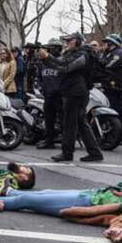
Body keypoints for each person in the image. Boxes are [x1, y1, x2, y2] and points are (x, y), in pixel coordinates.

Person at [38, 32, 103, 162]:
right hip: (72, 91)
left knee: (69, 123)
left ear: (78, 42)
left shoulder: (82, 55)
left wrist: (47, 57)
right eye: (65, 41)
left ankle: (67, 153)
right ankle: (94, 152)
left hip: (76, 92)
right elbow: (59, 64)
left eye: (69, 41)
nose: (66, 43)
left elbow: (65, 67)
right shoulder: (71, 54)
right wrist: (46, 58)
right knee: (80, 122)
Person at [36, 39, 63, 149]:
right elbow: (39, 77)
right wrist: (41, 87)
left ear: (57, 48)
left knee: (63, 119)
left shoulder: (62, 60)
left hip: (60, 95)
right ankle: (49, 141)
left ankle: (65, 140)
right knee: (48, 119)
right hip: (48, 94)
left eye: (50, 47)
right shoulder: (43, 62)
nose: (48, 50)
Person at [94, 34, 122, 123]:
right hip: (108, 86)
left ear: (112, 44)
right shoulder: (107, 53)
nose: (104, 45)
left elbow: (106, 65)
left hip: (117, 88)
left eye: (106, 43)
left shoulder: (119, 53)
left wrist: (97, 59)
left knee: (117, 112)